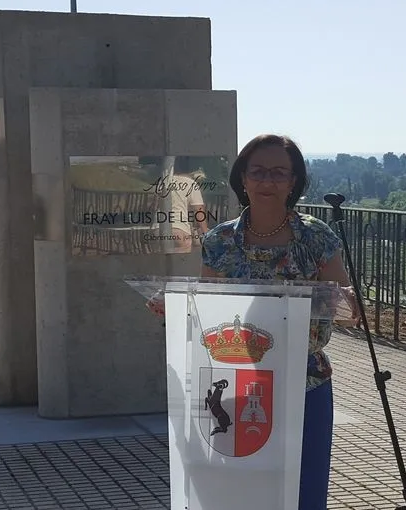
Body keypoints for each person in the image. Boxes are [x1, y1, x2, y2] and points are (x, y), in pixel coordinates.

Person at [147, 133, 357, 509]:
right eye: (258, 171)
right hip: (236, 382)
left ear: (294, 182)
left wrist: (347, 302)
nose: (267, 181)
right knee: (240, 493)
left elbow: (348, 312)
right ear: (242, 178)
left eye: (279, 173)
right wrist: (176, 308)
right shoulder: (219, 241)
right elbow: (206, 311)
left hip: (304, 384)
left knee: (304, 495)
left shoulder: (316, 237)